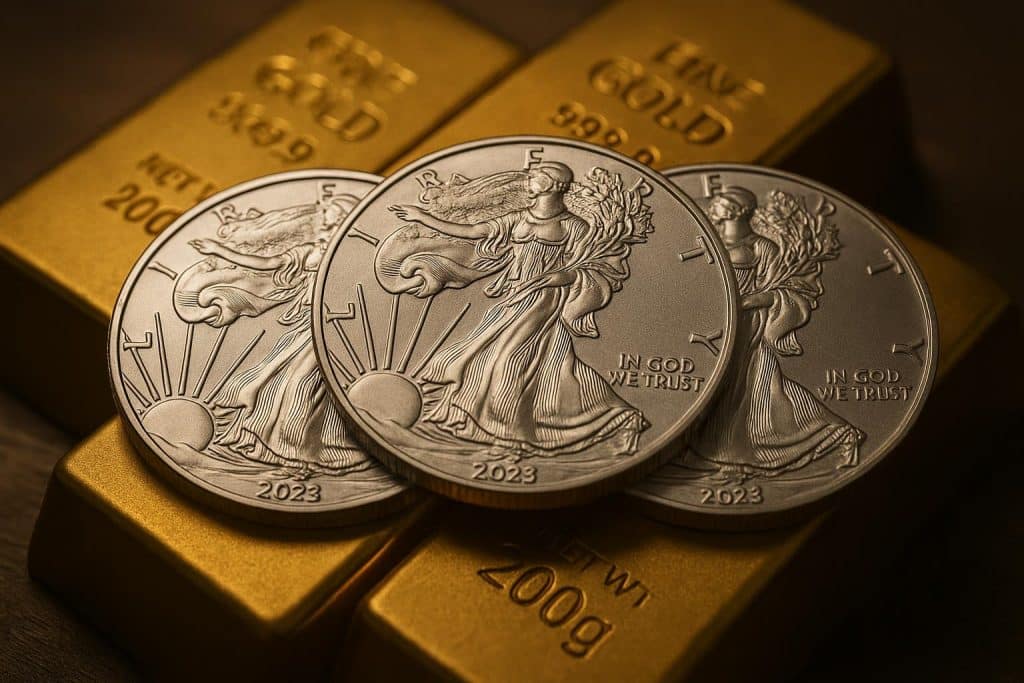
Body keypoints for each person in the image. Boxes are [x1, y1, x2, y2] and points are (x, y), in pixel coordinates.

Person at [388, 162, 647, 459]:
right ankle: (611, 417)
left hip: (545, 300)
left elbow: (585, 268)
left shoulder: (574, 226)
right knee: (496, 357)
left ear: (550, 185)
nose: (528, 181)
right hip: (515, 295)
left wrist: (554, 277)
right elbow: (471, 231)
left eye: (535, 178)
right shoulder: (517, 219)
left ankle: (510, 435)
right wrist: (424, 217)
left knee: (508, 358)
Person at [181, 195, 369, 474]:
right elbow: (266, 263)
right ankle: (276, 448)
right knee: (277, 382)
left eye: (330, 214)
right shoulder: (312, 249)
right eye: (326, 214)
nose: (324, 219)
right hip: (307, 325)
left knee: (302, 382)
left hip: (333, 327)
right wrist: (219, 250)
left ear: (344, 217)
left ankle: (306, 450)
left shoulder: (355, 252)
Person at [690, 186, 863, 479]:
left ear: (736, 210)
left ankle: (828, 433)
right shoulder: (710, 240)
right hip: (715, 321)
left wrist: (743, 302)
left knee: (749, 385)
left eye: (718, 203)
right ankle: (719, 451)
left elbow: (779, 291)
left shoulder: (762, 248)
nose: (713, 207)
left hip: (747, 324)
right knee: (733, 386)